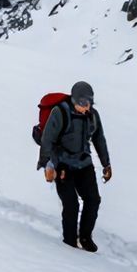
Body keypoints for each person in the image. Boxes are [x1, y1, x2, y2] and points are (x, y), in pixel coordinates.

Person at [36, 80, 111, 252]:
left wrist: (106, 163)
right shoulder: (60, 112)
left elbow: (99, 139)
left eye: (89, 103)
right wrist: (47, 165)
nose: (86, 107)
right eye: (82, 103)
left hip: (84, 163)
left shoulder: (93, 115)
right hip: (63, 165)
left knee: (93, 200)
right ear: (74, 100)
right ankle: (69, 243)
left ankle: (85, 237)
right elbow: (48, 140)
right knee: (71, 205)